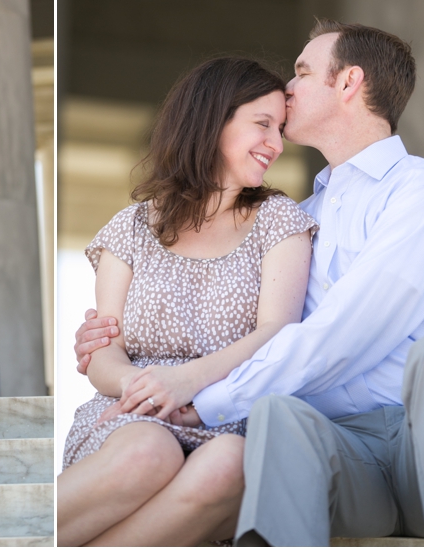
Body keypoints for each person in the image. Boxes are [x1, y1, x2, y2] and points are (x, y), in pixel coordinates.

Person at [75, 19, 424, 547]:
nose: (289, 87)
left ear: (348, 83)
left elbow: (350, 331)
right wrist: (106, 343)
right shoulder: (294, 219)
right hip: (345, 451)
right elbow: (246, 324)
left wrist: (209, 398)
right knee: (278, 415)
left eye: (302, 72)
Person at [58, 57, 317, 546]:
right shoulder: (130, 228)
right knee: (146, 453)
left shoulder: (281, 222)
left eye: (281, 130)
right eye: (262, 124)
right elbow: (102, 350)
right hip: (132, 412)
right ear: (212, 119)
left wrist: (186, 383)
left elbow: (276, 333)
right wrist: (149, 387)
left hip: (222, 412)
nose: (277, 144)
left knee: (232, 465)